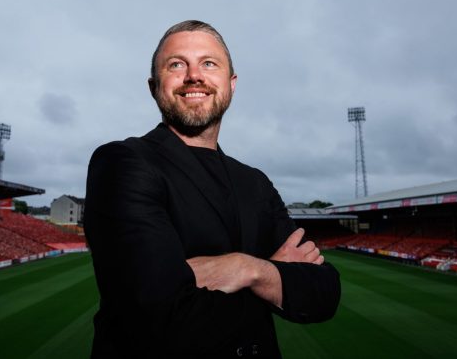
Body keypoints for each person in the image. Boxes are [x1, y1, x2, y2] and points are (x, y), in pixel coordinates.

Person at [85, 20, 341, 358]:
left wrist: (245, 268)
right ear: (153, 86)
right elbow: (162, 321)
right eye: (176, 64)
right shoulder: (123, 162)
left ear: (231, 84)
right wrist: (273, 277)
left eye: (209, 63)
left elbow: (324, 291)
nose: (194, 75)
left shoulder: (255, 182)